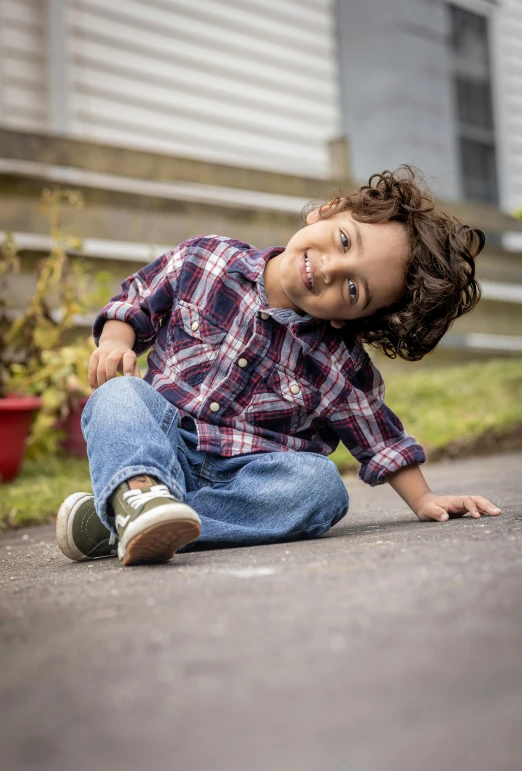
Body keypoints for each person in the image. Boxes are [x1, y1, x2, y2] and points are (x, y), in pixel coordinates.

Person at [56, 166, 501, 566]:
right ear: (330, 210)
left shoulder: (338, 363)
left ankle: (133, 516)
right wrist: (117, 341)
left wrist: (425, 500)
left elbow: (378, 436)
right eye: (345, 241)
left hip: (248, 475)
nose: (330, 268)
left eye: (352, 289)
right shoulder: (205, 260)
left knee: (319, 488)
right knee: (117, 397)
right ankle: (141, 496)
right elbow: (136, 298)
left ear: (349, 318)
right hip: (163, 438)